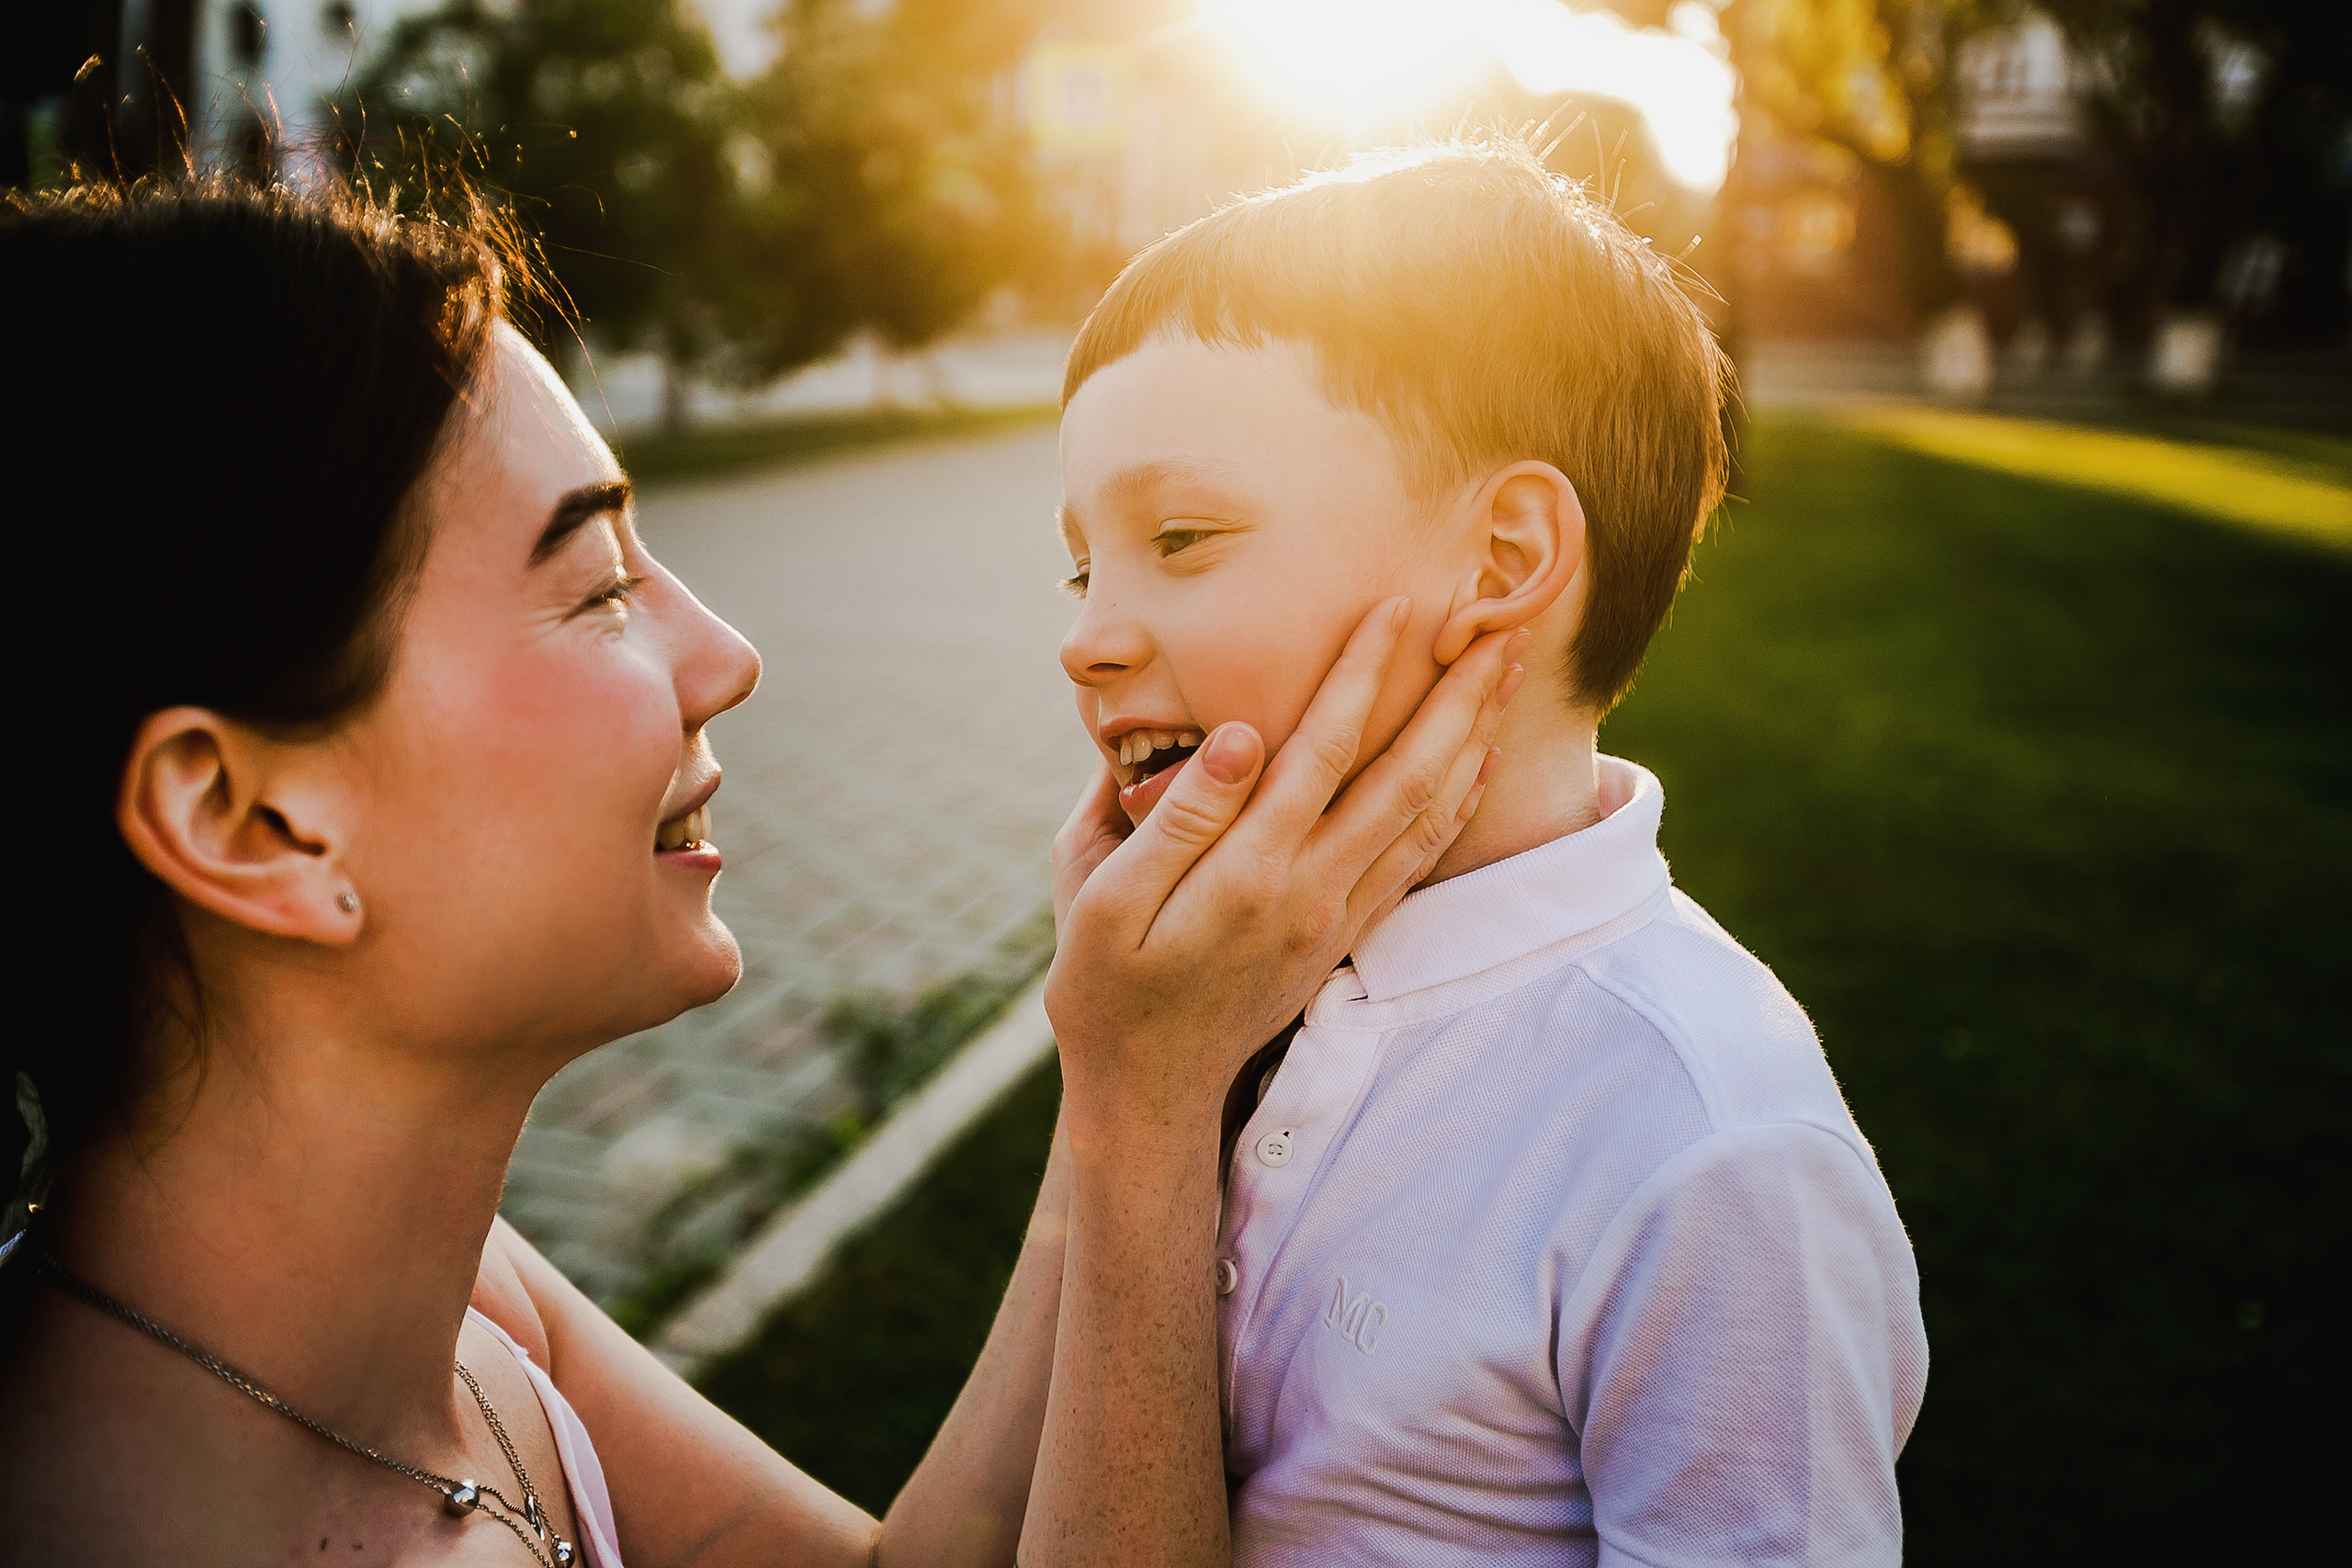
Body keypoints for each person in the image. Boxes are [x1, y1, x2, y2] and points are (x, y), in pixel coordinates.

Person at [0, 177, 1522, 1567]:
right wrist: (1149, 1092)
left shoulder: (477, 1318)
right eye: (598, 589)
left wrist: (1126, 1066)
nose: (726, 657)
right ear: (252, 823)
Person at [1051, 134, 1930, 1565]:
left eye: (1184, 535)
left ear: (1504, 560)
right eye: (1085, 566)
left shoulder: (1708, 1148)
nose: (1087, 638)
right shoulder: (1221, 995)